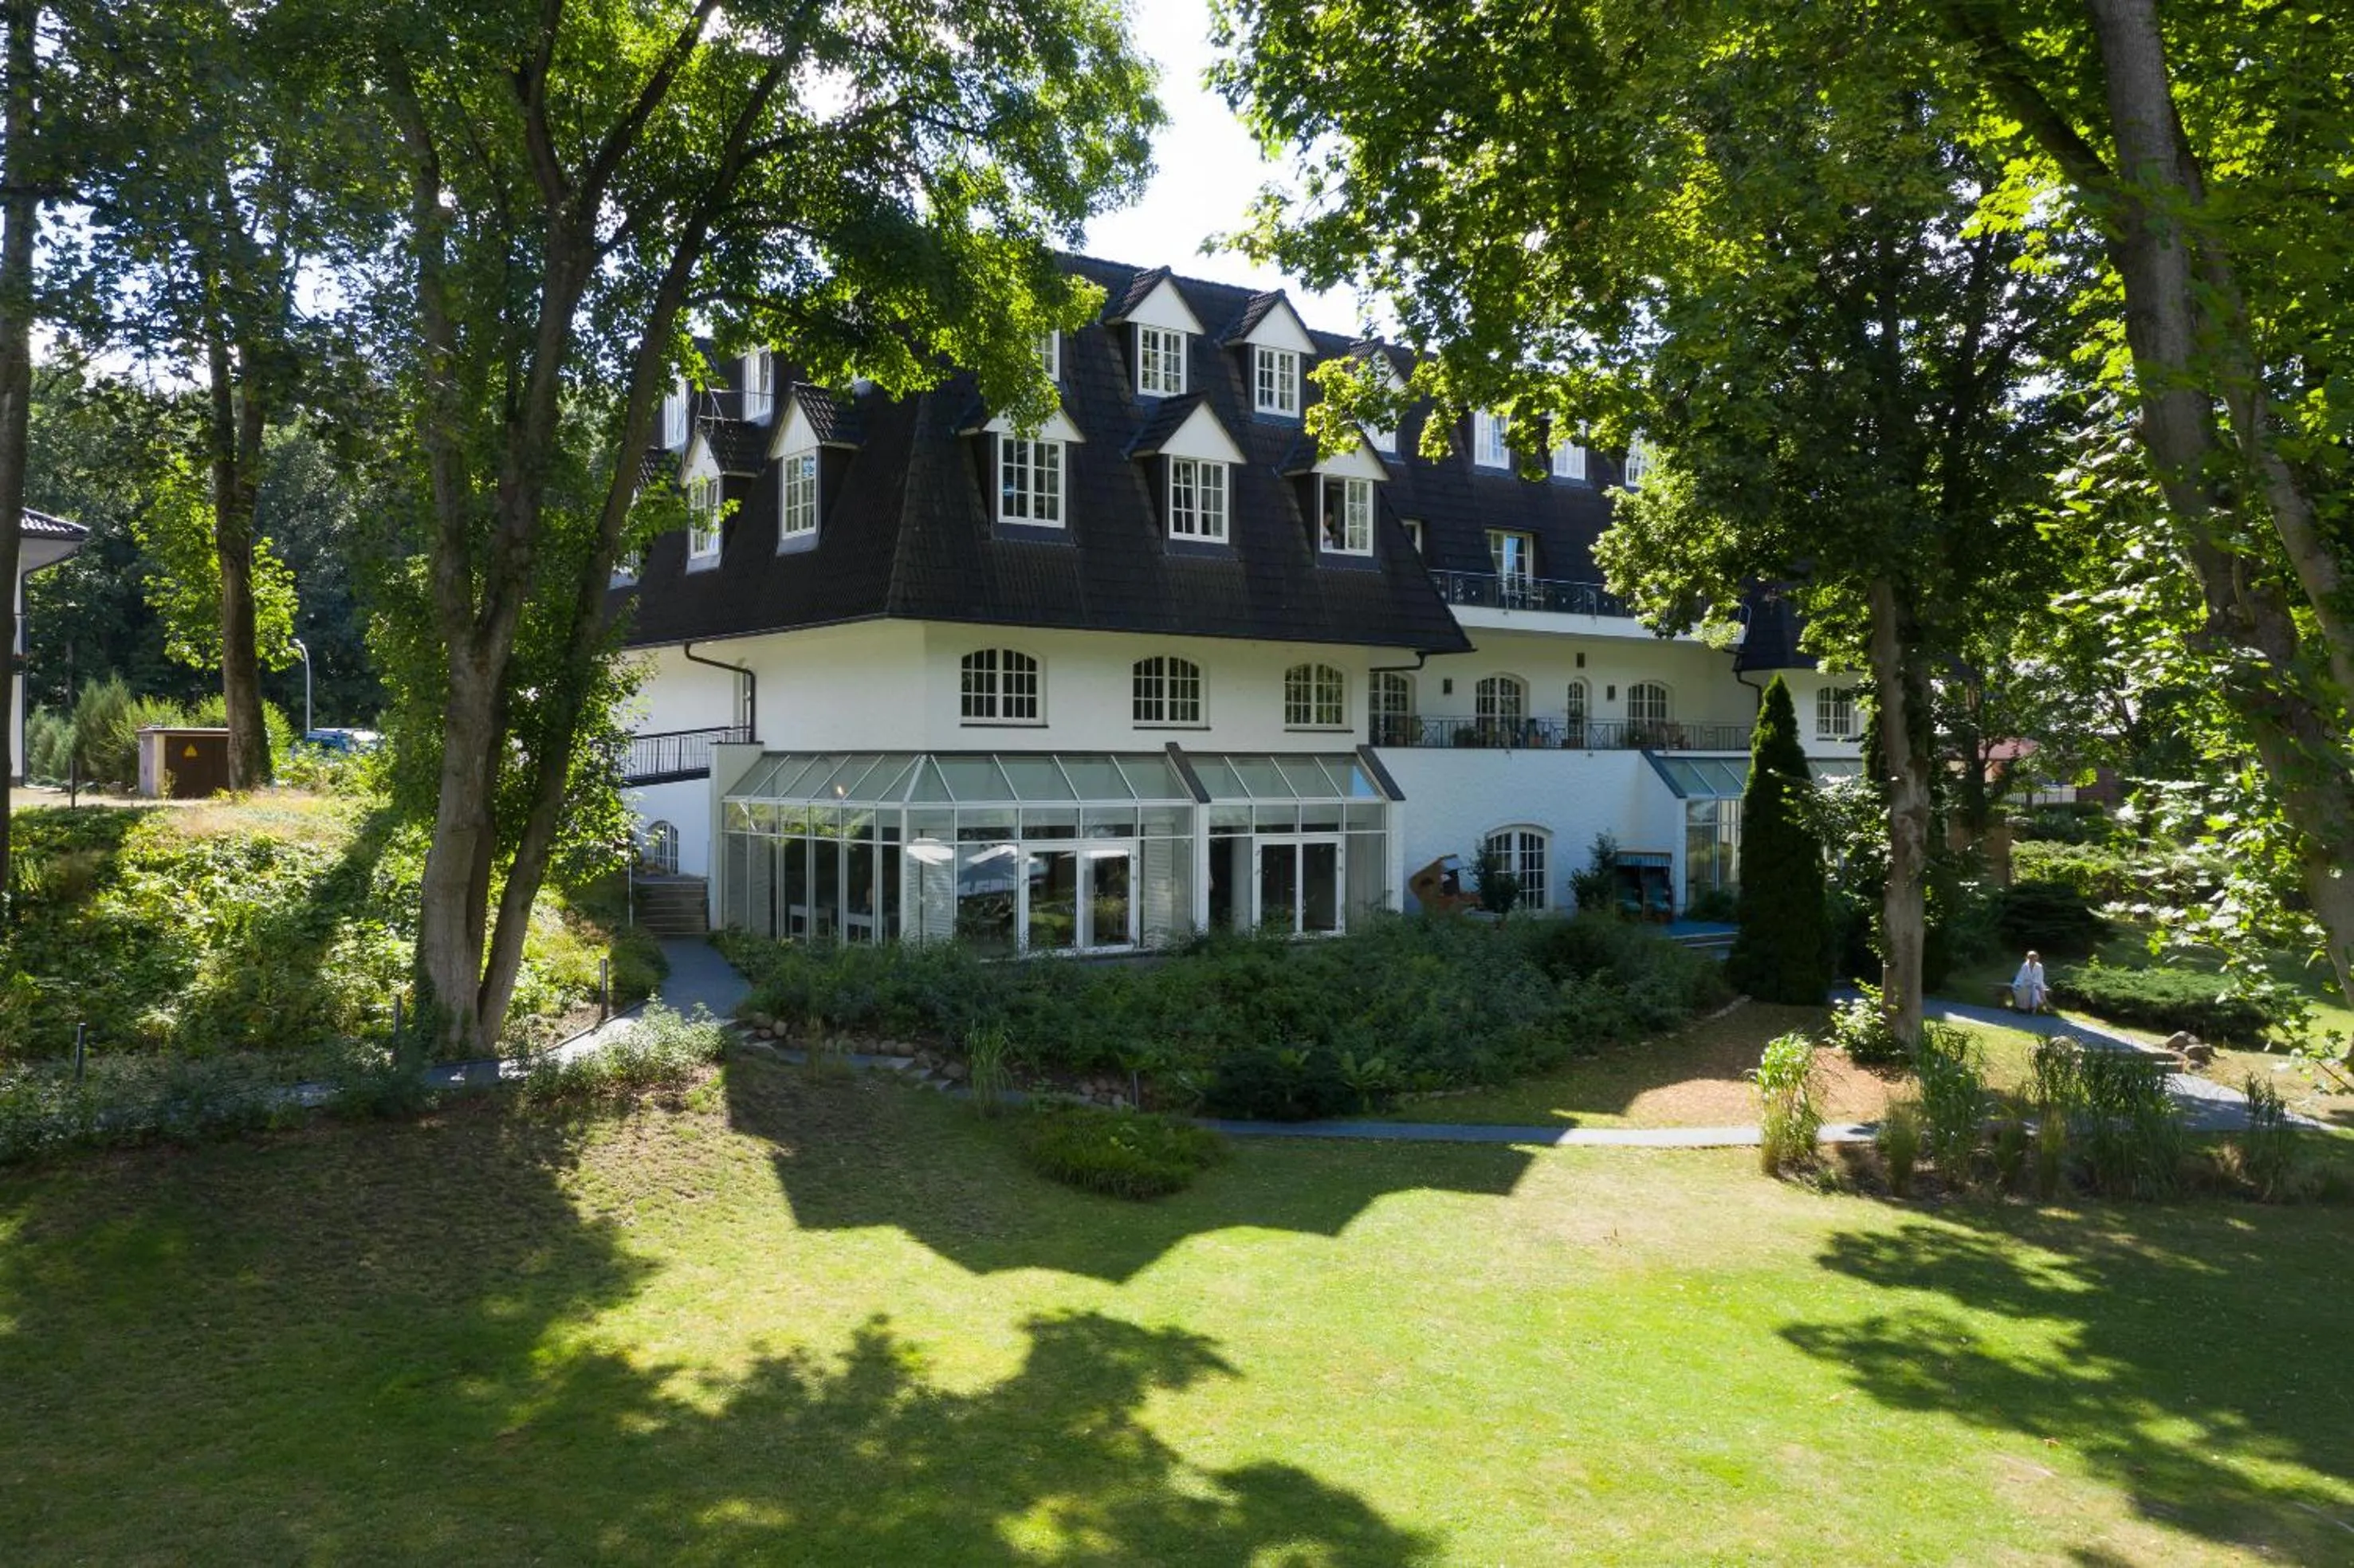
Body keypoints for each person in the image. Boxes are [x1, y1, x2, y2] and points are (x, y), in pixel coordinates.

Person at [2012, 950, 2049, 1014]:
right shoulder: (2025, 966)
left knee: (2037, 989)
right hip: (2025, 983)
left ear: (2037, 958)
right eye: (2031, 957)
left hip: (2037, 983)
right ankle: (2024, 1007)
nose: (2033, 959)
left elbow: (2040, 977)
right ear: (2028, 958)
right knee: (2021, 989)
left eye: (2034, 957)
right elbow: (2021, 976)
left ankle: (2035, 1008)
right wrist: (2019, 983)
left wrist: (2035, 983)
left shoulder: (2039, 966)